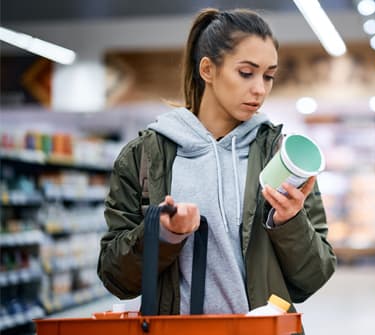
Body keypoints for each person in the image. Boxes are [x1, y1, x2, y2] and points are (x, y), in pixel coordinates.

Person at [97, 7, 337, 329]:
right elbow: (116, 277)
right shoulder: (144, 157)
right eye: (246, 73)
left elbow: (314, 277)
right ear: (207, 70)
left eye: (268, 76)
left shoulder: (282, 156)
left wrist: (289, 222)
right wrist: (164, 233)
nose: (260, 89)